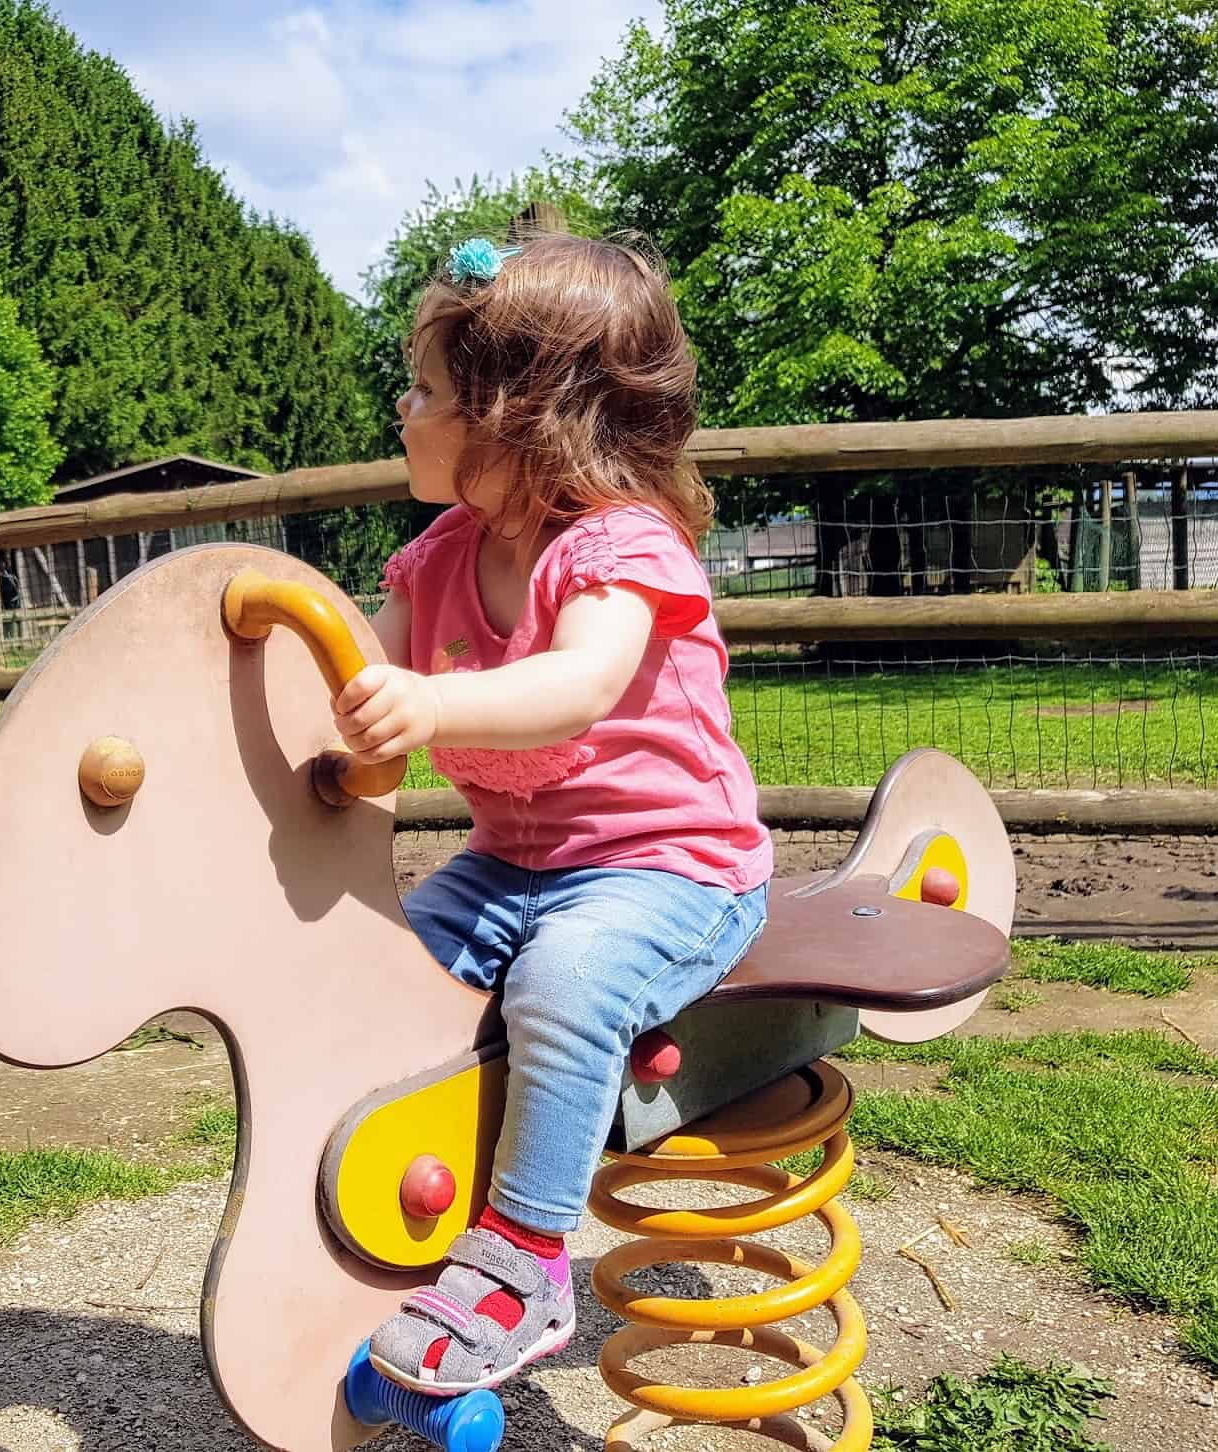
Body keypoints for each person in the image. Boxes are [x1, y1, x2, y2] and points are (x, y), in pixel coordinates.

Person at [336, 232, 773, 1395]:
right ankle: (398, 1198)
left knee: (565, 981)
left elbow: (576, 684)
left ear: (518, 417)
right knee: (384, 976)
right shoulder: (431, 561)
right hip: (514, 861)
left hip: (673, 865)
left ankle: (525, 1261)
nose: (402, 402)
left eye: (426, 387)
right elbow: (339, 689)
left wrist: (430, 700)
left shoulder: (621, 549)